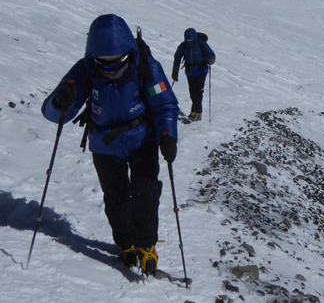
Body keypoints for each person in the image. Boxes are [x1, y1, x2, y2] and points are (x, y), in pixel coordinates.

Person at [41, 14, 179, 275]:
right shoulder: (85, 70)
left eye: (118, 62)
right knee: (115, 198)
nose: (112, 68)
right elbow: (53, 114)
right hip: (104, 144)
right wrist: (62, 101)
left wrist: (167, 135)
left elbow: (165, 105)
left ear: (129, 52)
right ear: (93, 56)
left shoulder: (145, 66)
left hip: (142, 139)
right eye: (104, 63)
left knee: (146, 192)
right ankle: (126, 244)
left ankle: (146, 245)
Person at [171, 28, 215, 122]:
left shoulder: (201, 44)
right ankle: (196, 112)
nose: (189, 42)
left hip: (201, 71)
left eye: (191, 40)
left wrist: (211, 59)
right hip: (190, 72)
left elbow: (211, 54)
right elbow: (177, 57)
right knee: (192, 92)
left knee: (198, 91)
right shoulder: (183, 46)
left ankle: (196, 113)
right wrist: (175, 71)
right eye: (187, 40)